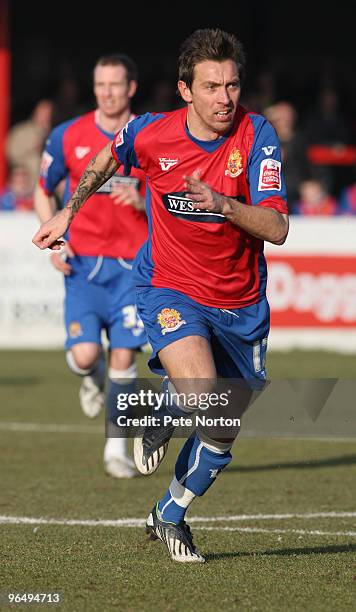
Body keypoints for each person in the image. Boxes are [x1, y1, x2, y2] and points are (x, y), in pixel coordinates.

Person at [33, 29, 289, 562]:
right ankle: (168, 406)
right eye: (212, 86)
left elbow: (277, 226)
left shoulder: (257, 135)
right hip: (169, 286)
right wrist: (68, 211)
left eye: (233, 85)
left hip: (241, 304)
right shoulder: (151, 134)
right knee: (202, 395)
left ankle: (168, 513)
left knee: (220, 428)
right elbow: (105, 159)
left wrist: (223, 204)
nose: (224, 98)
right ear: (184, 90)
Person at [34, 54, 148, 479]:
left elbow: (172, 196)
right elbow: (44, 191)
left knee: (124, 353)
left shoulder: (149, 136)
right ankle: (91, 375)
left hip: (133, 267)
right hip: (82, 266)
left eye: (116, 84)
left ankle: (115, 450)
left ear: (131, 87)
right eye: (101, 84)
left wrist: (144, 203)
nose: (107, 91)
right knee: (84, 356)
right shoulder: (68, 135)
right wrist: (52, 239)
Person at [6, 99, 53, 190]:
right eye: (43, 112)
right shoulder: (21, 131)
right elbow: (10, 153)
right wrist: (34, 146)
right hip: (25, 185)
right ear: (35, 112)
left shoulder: (57, 133)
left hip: (47, 187)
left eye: (49, 113)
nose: (47, 116)